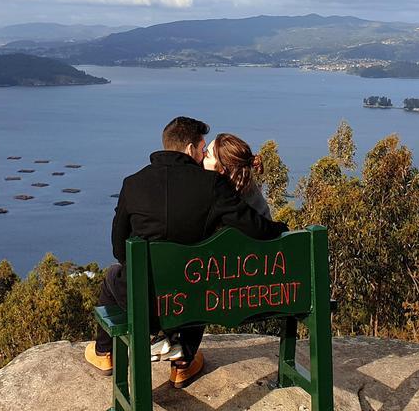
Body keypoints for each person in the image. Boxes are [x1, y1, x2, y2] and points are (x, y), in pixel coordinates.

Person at [85, 116, 288, 389]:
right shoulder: (212, 185)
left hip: (142, 301)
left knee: (112, 276)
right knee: (198, 277)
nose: (204, 154)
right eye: (203, 149)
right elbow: (258, 229)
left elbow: (119, 248)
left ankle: (104, 353)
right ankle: (183, 363)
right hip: (190, 301)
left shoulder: (132, 183)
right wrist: (281, 227)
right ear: (191, 148)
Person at [202, 133, 272, 220]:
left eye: (207, 155)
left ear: (221, 169)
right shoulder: (247, 188)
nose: (202, 155)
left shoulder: (226, 201)